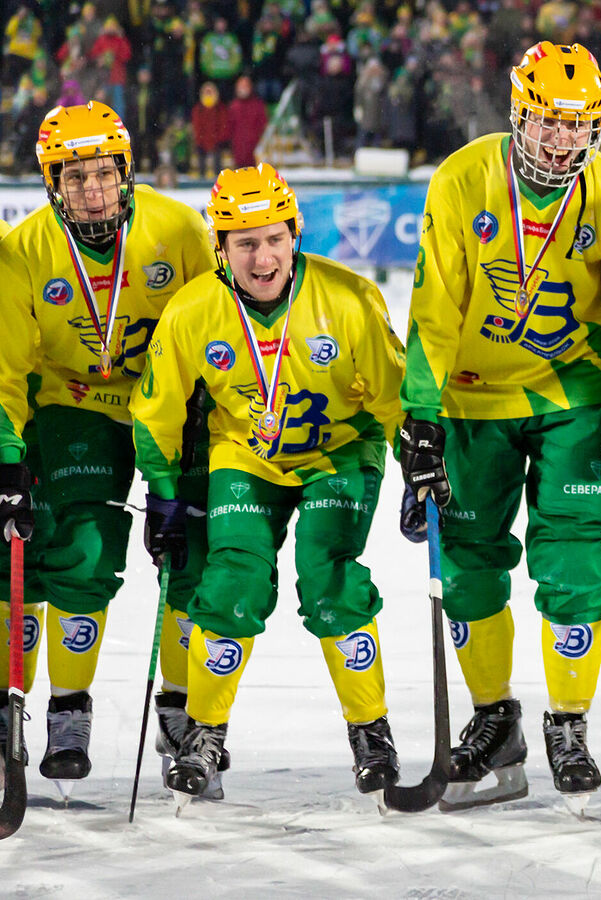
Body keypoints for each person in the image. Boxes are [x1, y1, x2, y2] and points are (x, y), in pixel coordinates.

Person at [399, 41, 601, 812]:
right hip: (473, 399)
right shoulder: (462, 178)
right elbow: (435, 307)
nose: (561, 140)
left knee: (573, 557)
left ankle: (567, 724)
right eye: (548, 122)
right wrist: (420, 415)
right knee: (469, 562)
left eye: (578, 125)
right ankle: (494, 722)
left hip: (572, 396)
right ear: (519, 115)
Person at [130, 163, 407, 804]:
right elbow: (157, 412)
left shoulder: (348, 299)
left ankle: (372, 734)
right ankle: (203, 735)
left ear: (294, 235)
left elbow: (397, 399)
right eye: (246, 243)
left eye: (275, 239)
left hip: (338, 452)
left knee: (327, 573)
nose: (264, 258)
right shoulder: (194, 310)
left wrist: (422, 465)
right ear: (221, 248)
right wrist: (165, 494)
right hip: (246, 455)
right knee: (233, 579)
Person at [0, 102, 214, 797]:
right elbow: (5, 368)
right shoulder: (24, 250)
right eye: (75, 177)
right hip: (70, 407)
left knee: (193, 552)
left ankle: (183, 711)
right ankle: (57, 712)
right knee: (69, 552)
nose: (93, 191)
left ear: (126, 171)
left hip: (169, 407)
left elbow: (218, 324)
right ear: (52, 184)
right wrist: (6, 455)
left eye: (104, 173)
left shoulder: (178, 230)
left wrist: (205, 415)